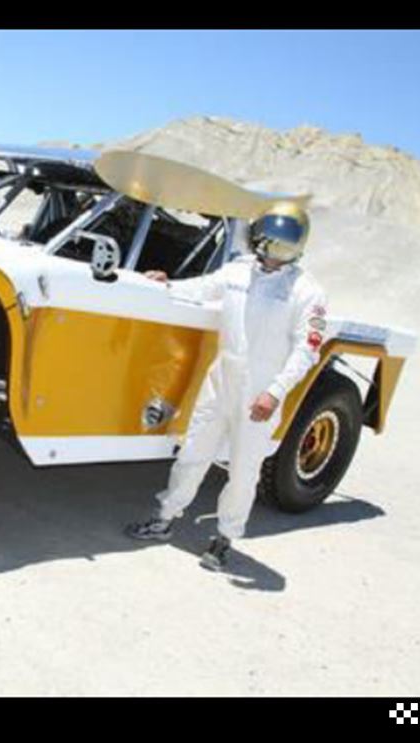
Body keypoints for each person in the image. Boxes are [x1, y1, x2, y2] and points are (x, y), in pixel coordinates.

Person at [124, 201, 328, 571]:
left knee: (243, 469)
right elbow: (204, 288)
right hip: (221, 381)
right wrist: (168, 283)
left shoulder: (306, 291)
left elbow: (307, 349)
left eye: (286, 243)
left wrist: (275, 392)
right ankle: (165, 518)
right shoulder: (237, 272)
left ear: (300, 246)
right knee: (193, 453)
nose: (276, 249)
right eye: (271, 239)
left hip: (260, 392)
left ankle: (224, 539)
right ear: (257, 236)